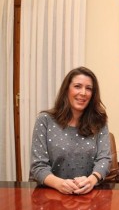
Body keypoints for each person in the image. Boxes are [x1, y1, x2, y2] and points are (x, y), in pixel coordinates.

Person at [30, 66, 111, 194]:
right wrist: (60, 184)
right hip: (52, 196)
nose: (83, 93)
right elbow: (38, 166)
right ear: (67, 89)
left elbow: (104, 160)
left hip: (89, 194)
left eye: (88, 88)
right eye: (77, 86)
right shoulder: (44, 120)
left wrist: (92, 180)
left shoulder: (99, 121)